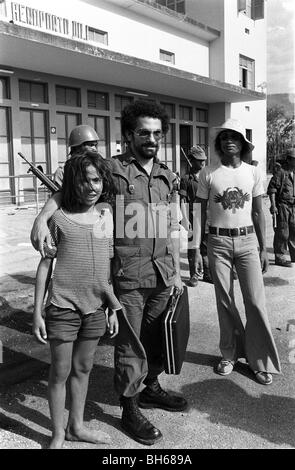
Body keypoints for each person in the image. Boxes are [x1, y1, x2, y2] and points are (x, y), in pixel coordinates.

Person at [30, 101, 187, 447]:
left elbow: (170, 224)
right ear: (129, 135)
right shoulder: (113, 169)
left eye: (157, 133)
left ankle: (151, 387)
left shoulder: (166, 174)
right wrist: (43, 216)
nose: (151, 139)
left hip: (163, 271)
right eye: (143, 132)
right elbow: (70, 186)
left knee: (158, 337)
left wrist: (176, 270)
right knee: (130, 345)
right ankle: (129, 406)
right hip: (128, 273)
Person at [32, 150, 121, 449]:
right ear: (72, 184)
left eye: (97, 180)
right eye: (84, 181)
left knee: (83, 369)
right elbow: (45, 266)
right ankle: (58, 433)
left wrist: (112, 307)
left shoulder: (105, 215)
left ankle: (77, 427)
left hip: (96, 307)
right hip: (63, 307)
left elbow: (107, 266)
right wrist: (37, 313)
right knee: (60, 372)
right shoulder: (59, 218)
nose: (92, 187)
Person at [196, 118, 281, 386]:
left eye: (233, 136)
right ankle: (230, 354)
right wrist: (197, 248)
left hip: (247, 243)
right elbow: (198, 213)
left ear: (242, 143)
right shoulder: (208, 173)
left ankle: (259, 360)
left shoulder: (253, 172)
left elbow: (258, 211)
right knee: (224, 301)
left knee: (255, 302)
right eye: (223, 138)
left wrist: (263, 249)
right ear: (218, 145)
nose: (228, 141)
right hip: (217, 243)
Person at [179, 145, 212, 286]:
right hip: (193, 216)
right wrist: (185, 220)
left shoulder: (208, 176)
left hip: (208, 216)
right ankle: (194, 275)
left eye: (204, 160)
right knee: (193, 246)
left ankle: (208, 273)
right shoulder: (186, 179)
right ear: (191, 160)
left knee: (207, 246)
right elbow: (183, 201)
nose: (202, 163)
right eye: (199, 160)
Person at [267, 147, 295, 267]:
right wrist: (273, 205)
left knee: (294, 230)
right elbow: (272, 190)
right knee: (283, 232)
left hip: (293, 207)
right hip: (283, 206)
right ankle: (280, 257)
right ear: (289, 160)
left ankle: (293, 256)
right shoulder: (281, 173)